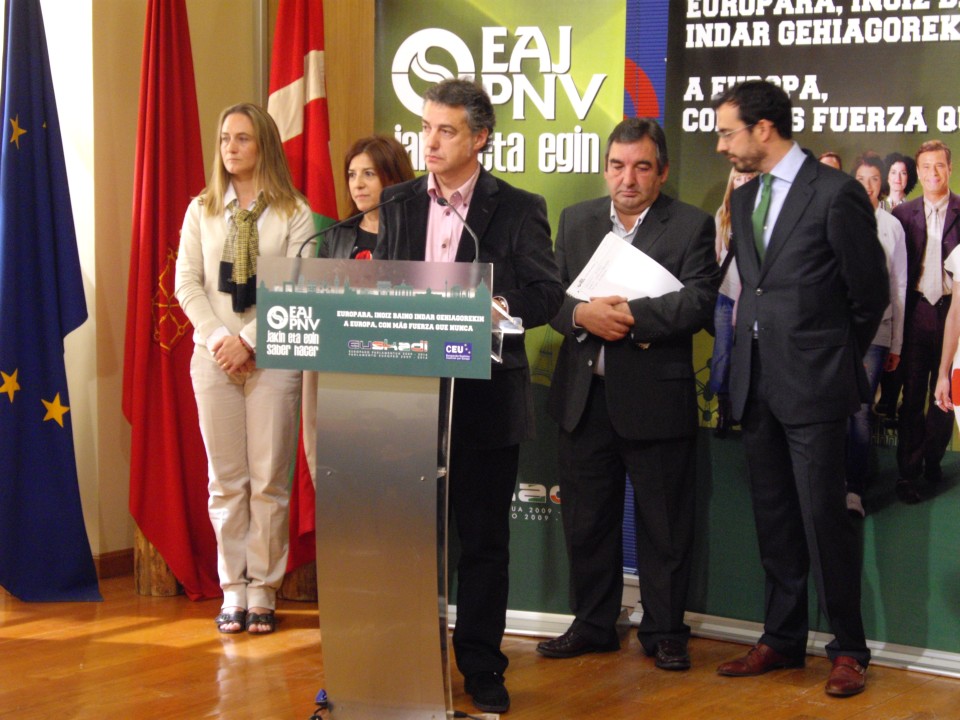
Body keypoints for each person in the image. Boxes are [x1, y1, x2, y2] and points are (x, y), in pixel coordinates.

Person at [374, 78, 563, 714]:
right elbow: (385, 286)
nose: (429, 141)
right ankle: (406, 660)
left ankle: (481, 666)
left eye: (445, 130)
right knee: (407, 541)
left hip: (484, 400)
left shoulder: (518, 207)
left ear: (480, 138)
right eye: (425, 127)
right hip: (408, 400)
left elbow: (547, 293)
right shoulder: (399, 201)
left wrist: (496, 305)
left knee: (482, 544)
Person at [711, 80, 888, 697]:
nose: (720, 145)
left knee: (824, 521)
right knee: (775, 519)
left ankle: (849, 649)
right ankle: (782, 639)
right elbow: (752, 288)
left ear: (763, 129)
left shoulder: (836, 193)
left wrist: (826, 356)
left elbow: (869, 295)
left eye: (727, 132)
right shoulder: (746, 195)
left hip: (814, 385)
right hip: (755, 382)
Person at [538, 118, 719, 672]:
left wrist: (629, 317)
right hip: (583, 399)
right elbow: (549, 294)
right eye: (618, 166)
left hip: (654, 401)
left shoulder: (691, 225)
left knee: (665, 526)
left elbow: (700, 301)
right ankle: (593, 624)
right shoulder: (576, 220)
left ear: (661, 172)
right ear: (606, 169)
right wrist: (581, 315)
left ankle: (665, 632)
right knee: (587, 523)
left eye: (642, 167)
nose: (628, 179)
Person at [175, 103, 314, 635]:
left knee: (269, 481)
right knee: (226, 481)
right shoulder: (202, 209)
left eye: (242, 138)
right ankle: (233, 588)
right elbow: (187, 283)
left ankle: (263, 591)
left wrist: (249, 342)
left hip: (273, 357)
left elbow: (296, 286)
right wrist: (220, 340)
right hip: (213, 359)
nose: (230, 148)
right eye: (224, 139)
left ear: (265, 146)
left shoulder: (293, 211)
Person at [891, 140, 960, 503]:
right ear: (918, 172)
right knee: (913, 395)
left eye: (939, 166)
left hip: (954, 311)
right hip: (916, 312)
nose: (933, 173)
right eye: (927, 167)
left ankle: (932, 459)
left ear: (950, 168)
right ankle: (908, 473)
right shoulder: (903, 215)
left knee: (945, 397)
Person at [844, 152, 907, 517]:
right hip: (840, 331)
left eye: (874, 179)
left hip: (878, 332)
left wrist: (896, 342)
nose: (867, 186)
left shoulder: (892, 227)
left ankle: (854, 490)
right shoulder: (838, 219)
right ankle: (832, 483)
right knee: (835, 409)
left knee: (861, 410)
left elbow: (898, 287)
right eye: (861, 178)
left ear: (882, 185)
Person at [709, 168, 756, 437]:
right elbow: (716, 255)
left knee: (748, 356)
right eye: (739, 178)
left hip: (752, 299)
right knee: (722, 354)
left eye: (748, 178)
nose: (743, 182)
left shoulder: (763, 213)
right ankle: (723, 412)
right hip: (726, 296)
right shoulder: (723, 214)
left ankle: (745, 411)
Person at [319, 135, 415, 260]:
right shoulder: (335, 234)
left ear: (394, 178)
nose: (357, 184)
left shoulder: (416, 235)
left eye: (369, 174)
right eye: (352, 175)